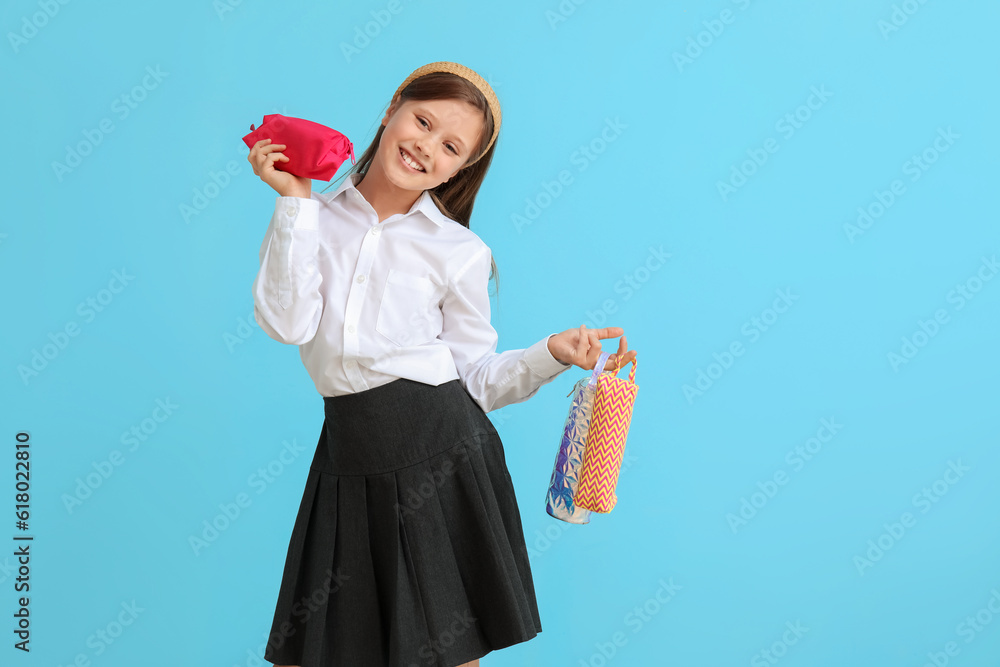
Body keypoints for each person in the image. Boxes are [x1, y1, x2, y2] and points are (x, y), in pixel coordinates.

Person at [247, 61, 637, 667]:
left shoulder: (460, 251)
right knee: (339, 651)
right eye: (422, 121)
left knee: (447, 657)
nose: (427, 147)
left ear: (462, 167)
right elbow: (287, 324)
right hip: (349, 454)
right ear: (392, 109)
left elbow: (476, 377)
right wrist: (295, 202)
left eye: (451, 146)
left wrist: (550, 355)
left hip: (440, 448)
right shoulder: (312, 218)